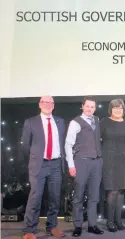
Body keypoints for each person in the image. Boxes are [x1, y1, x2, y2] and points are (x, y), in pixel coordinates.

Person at [22, 96, 65, 239]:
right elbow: (25, 146)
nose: (47, 104)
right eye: (44, 102)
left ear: (53, 105)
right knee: (35, 197)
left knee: (54, 197)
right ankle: (29, 229)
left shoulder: (60, 121)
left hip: (56, 164)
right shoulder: (30, 122)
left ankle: (52, 227)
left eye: (50, 102)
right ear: (40, 104)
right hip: (39, 164)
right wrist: (35, 159)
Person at [65, 97, 104, 237]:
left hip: (97, 162)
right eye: (87, 106)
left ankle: (93, 225)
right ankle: (77, 226)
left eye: (92, 107)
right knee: (79, 196)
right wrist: (71, 165)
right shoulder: (75, 122)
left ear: (95, 108)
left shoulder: (98, 121)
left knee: (94, 196)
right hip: (81, 162)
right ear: (83, 106)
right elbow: (68, 145)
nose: (90, 109)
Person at [100, 99, 125, 232]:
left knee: (121, 191)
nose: (118, 110)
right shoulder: (104, 122)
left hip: (124, 161)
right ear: (110, 109)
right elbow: (96, 141)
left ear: (123, 110)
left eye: (120, 108)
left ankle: (119, 221)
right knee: (112, 191)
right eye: (115, 108)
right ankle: (110, 221)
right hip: (110, 160)